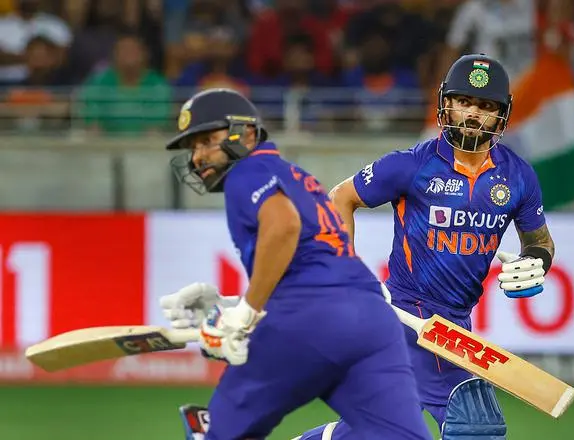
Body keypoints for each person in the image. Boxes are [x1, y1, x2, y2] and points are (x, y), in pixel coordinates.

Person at [299, 53, 556, 439]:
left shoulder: (517, 176)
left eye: (485, 106)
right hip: (411, 316)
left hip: (456, 321)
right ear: (446, 104)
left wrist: (536, 261)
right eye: (464, 101)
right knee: (476, 426)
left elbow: (539, 241)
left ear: (501, 115)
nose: (473, 113)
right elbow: (340, 197)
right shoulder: (412, 165)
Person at [158, 88, 433, 440]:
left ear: (246, 133)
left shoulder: (248, 172)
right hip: (372, 321)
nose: (197, 157)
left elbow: (284, 227)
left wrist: (244, 314)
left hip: (309, 321)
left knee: (219, 434)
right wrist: (231, 305)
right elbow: (314, 263)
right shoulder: (294, 175)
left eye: (206, 140)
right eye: (192, 147)